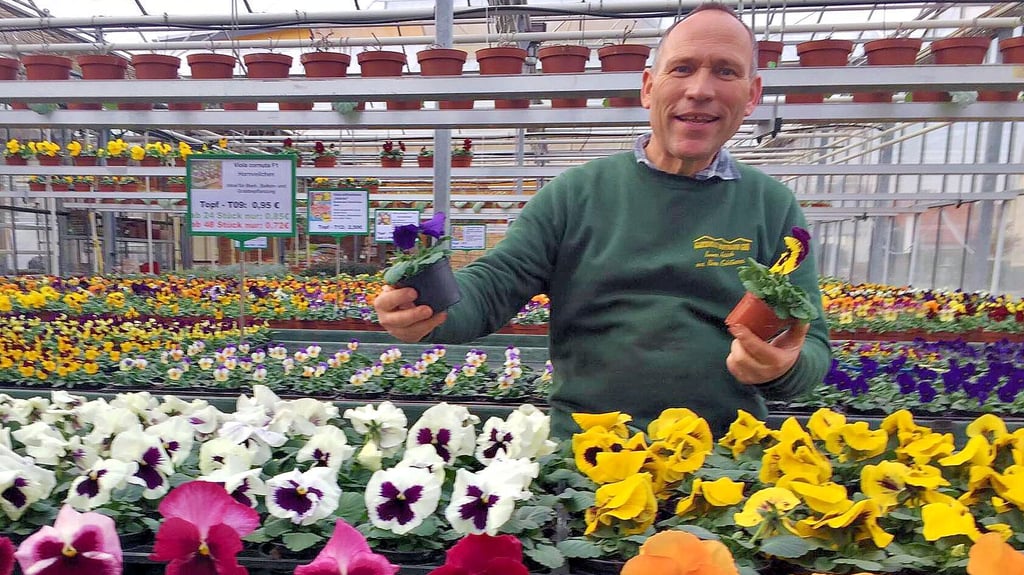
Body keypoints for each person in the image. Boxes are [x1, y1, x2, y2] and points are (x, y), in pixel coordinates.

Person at [373, 2, 831, 439]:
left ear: (752, 94)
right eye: (683, 68)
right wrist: (431, 309)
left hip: (722, 467)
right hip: (588, 460)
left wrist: (783, 366)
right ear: (649, 86)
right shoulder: (577, 195)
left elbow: (810, 345)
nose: (700, 89)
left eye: (725, 71)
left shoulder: (771, 207)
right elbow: (496, 283)